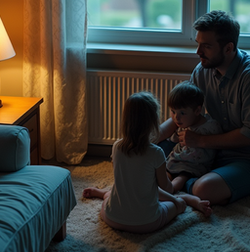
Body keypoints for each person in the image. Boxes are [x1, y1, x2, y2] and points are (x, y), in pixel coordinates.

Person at [158, 10, 250, 206]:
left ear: (228, 48)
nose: (198, 52)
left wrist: (201, 140)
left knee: (204, 189)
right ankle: (181, 180)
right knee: (147, 153)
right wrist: (146, 138)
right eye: (198, 44)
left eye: (206, 46)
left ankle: (182, 185)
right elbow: (184, 113)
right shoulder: (202, 71)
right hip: (211, 151)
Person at [83, 91, 212, 234]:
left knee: (115, 195)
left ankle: (103, 194)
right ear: (153, 122)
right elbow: (166, 189)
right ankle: (187, 199)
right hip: (147, 222)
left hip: (112, 218)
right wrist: (177, 201)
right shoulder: (156, 153)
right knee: (178, 205)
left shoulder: (116, 147)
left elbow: (129, 184)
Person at [165, 81, 222, 192]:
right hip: (177, 160)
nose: (176, 117)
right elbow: (174, 138)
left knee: (182, 177)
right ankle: (161, 187)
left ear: (197, 111)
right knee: (163, 172)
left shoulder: (209, 127)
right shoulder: (185, 122)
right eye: (173, 111)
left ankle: (170, 191)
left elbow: (216, 145)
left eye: (182, 113)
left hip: (194, 166)